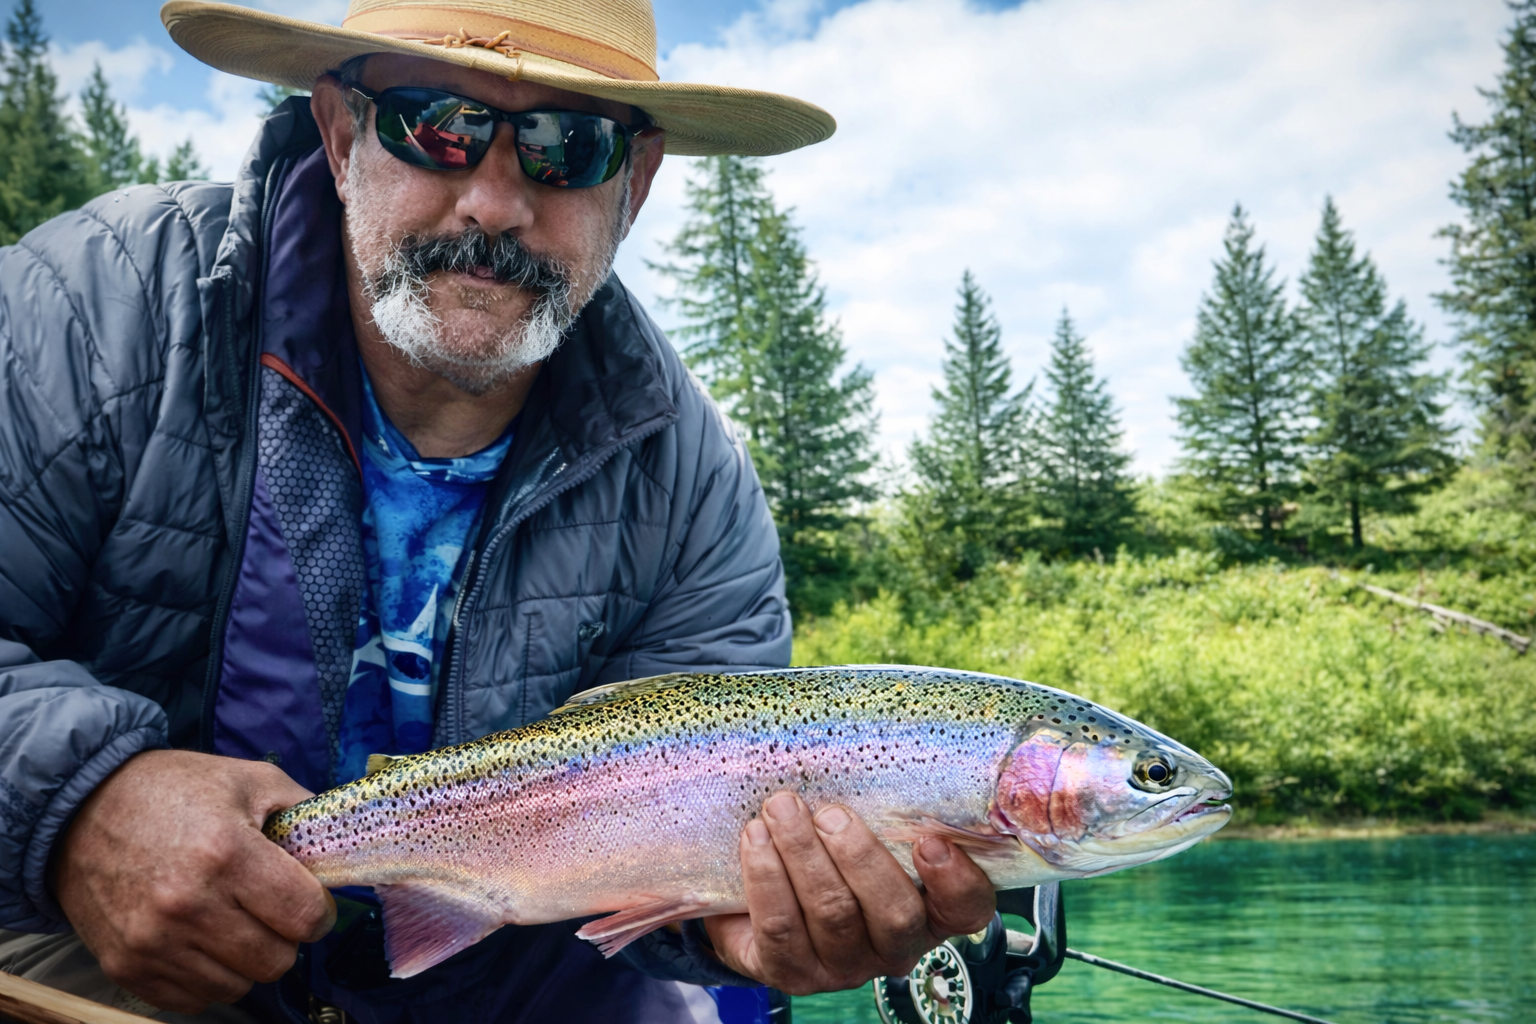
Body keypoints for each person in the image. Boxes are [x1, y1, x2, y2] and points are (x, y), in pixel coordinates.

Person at [0, 1, 996, 1021]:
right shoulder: (93, 308)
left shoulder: (693, 482)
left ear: (635, 183)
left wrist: (727, 929)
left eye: (569, 145)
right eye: (437, 125)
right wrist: (77, 809)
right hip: (102, 940)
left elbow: (693, 852)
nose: (493, 202)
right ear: (341, 135)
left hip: (521, 973)